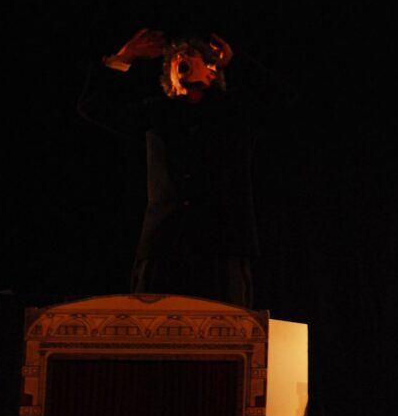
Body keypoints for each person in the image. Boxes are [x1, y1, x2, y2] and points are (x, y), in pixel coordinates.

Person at [78, 28, 289, 308]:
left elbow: (282, 98)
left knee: (227, 335)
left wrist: (235, 62)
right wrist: (123, 58)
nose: (181, 58)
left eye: (190, 55)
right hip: (163, 245)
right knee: (154, 335)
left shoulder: (234, 111)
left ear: (211, 71)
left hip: (223, 246)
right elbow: (94, 107)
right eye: (176, 57)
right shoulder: (157, 114)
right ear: (171, 79)